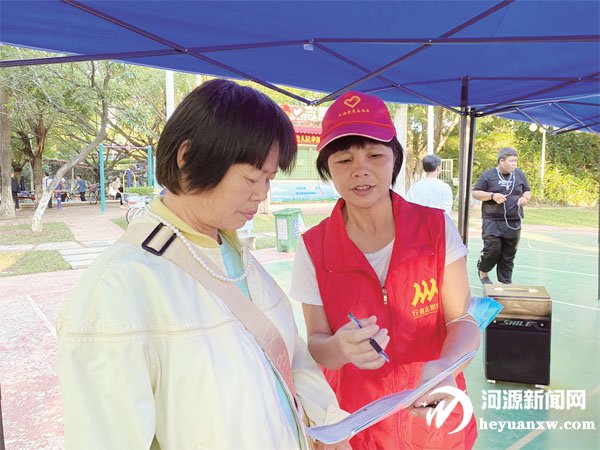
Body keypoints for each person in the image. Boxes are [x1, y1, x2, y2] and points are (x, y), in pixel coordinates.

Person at [57, 79, 350, 449]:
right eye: (251, 177)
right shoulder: (117, 289)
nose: (262, 194)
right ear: (188, 156)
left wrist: (329, 426)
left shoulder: (236, 255)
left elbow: (292, 357)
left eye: (269, 178)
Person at [290, 91, 480, 449]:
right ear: (327, 168)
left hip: (433, 416)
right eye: (344, 159)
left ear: (394, 159)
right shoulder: (314, 247)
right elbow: (317, 343)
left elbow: (462, 320)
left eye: (375, 155)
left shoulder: (436, 228)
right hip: (358, 426)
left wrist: (446, 367)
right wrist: (340, 348)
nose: (360, 169)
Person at [472, 147, 531, 284]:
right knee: (492, 250)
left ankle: (505, 282)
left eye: (516, 161)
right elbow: (476, 193)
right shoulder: (488, 175)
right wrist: (492, 195)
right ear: (501, 161)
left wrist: (525, 198)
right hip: (492, 220)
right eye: (511, 161)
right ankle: (483, 271)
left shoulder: (519, 174)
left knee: (509, 254)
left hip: (513, 221)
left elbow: (527, 190)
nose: (514, 164)